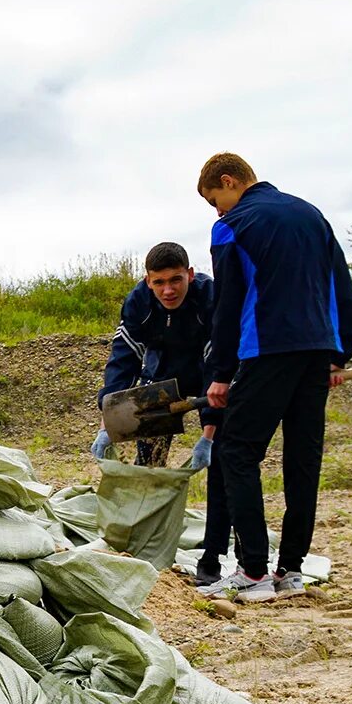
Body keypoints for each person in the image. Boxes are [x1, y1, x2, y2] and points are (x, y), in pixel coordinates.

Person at [195, 152, 352, 603]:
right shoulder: (311, 215)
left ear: (229, 182)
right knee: (302, 462)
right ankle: (291, 571)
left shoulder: (234, 225)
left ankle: (253, 572)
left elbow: (229, 303)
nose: (217, 211)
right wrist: (339, 354)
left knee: (237, 452)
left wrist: (221, 373)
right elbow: (341, 286)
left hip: (267, 351)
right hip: (316, 353)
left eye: (215, 200)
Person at [93, 242, 233, 583]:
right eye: (159, 283)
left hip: (207, 376)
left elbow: (218, 360)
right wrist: (107, 422)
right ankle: (144, 544)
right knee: (150, 463)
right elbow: (122, 362)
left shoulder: (210, 297)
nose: (168, 290)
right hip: (160, 378)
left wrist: (208, 434)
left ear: (190, 274)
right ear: (148, 281)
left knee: (224, 464)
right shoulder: (139, 303)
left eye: (175, 280)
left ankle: (212, 557)